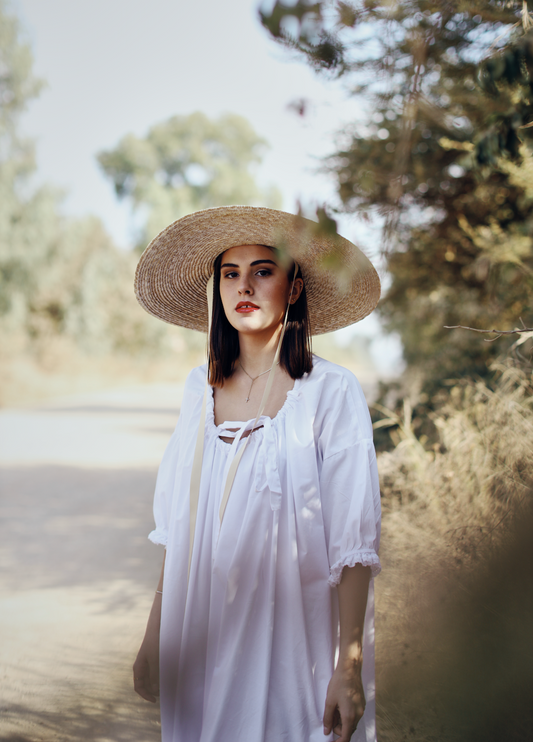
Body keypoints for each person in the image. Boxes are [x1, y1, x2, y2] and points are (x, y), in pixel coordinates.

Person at [132, 206, 382, 742]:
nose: (244, 285)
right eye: (230, 273)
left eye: (263, 270)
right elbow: (180, 528)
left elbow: (353, 543)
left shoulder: (331, 392)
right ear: (217, 289)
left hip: (294, 634)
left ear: (293, 290)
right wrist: (155, 636)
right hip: (198, 627)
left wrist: (351, 665)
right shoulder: (198, 388)